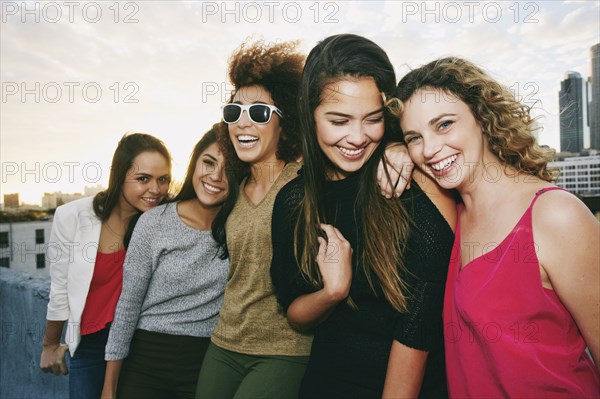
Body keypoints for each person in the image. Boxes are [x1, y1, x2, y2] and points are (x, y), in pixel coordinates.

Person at [395, 56, 600, 397]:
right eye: (414, 137)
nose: (429, 149)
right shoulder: (447, 217)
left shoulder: (554, 215)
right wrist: (392, 151)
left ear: (482, 117)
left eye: (444, 124)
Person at [270, 33, 457, 399]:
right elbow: (294, 312)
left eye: (372, 119)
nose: (357, 138)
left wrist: (401, 146)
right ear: (310, 116)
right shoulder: (293, 200)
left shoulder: (415, 181)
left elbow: (421, 320)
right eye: (339, 121)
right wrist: (331, 292)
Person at [194, 39, 312, 399]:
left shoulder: (306, 182)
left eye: (260, 113)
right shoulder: (233, 187)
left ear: (284, 122)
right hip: (224, 341)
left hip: (284, 349)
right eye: (234, 112)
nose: (242, 122)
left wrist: (396, 149)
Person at [101, 125, 237, 399]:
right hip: (145, 361)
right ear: (194, 163)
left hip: (204, 365)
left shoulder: (238, 228)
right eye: (208, 162)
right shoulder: (155, 221)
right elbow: (128, 306)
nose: (216, 176)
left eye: (230, 169)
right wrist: (109, 388)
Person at [39, 133, 172, 399]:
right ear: (120, 176)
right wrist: (50, 344)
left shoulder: (165, 219)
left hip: (142, 344)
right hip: (90, 346)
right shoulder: (73, 216)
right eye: (143, 179)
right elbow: (61, 287)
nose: (155, 190)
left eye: (163, 179)